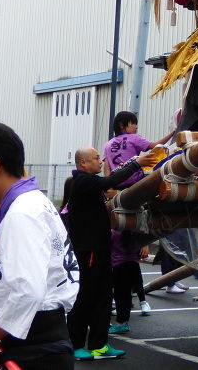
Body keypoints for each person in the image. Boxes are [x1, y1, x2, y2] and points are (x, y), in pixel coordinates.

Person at [0, 122, 78, 370]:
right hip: (41, 340)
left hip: (36, 347)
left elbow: (28, 291)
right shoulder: (30, 202)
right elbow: (5, 275)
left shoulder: (22, 213)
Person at [66, 145, 153, 360]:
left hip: (101, 248)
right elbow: (110, 181)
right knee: (86, 296)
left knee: (104, 296)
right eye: (96, 158)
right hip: (90, 250)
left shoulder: (90, 183)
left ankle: (99, 344)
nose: (101, 161)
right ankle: (76, 344)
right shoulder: (83, 181)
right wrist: (136, 164)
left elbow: (109, 182)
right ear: (83, 163)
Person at [102, 110, 174, 185]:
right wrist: (172, 134)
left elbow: (107, 168)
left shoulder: (108, 144)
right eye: (133, 123)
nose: (136, 127)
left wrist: (108, 185)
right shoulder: (134, 138)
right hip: (134, 182)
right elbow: (155, 145)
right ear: (122, 125)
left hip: (116, 183)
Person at [109, 230, 151, 334]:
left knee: (120, 296)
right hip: (134, 265)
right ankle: (124, 322)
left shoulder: (114, 233)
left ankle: (120, 323)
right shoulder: (135, 233)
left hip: (119, 266)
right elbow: (143, 254)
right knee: (127, 295)